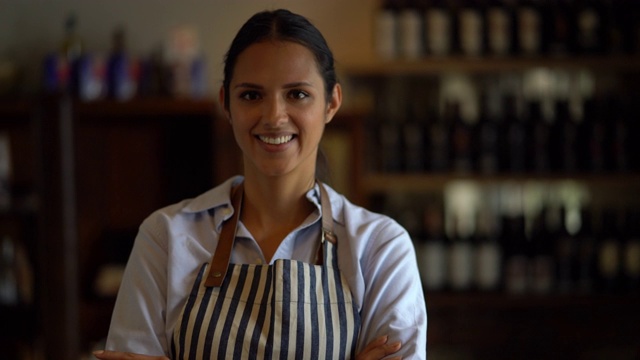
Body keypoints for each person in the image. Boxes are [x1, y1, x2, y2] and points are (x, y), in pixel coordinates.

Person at [94, 9, 427, 360]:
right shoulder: (165, 238)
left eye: (297, 94)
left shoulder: (381, 248)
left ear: (331, 103)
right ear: (227, 104)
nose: (273, 117)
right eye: (252, 95)